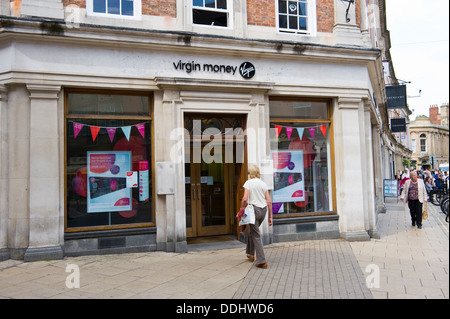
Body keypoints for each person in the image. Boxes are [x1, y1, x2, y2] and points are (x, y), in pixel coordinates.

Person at [238, 165, 273, 269]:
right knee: (251, 231)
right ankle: (250, 253)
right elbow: (269, 201)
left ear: (250, 173)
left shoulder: (248, 183)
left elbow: (244, 199)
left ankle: (262, 261)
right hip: (263, 211)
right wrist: (270, 217)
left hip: (253, 211)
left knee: (256, 235)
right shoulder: (263, 183)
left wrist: (241, 210)